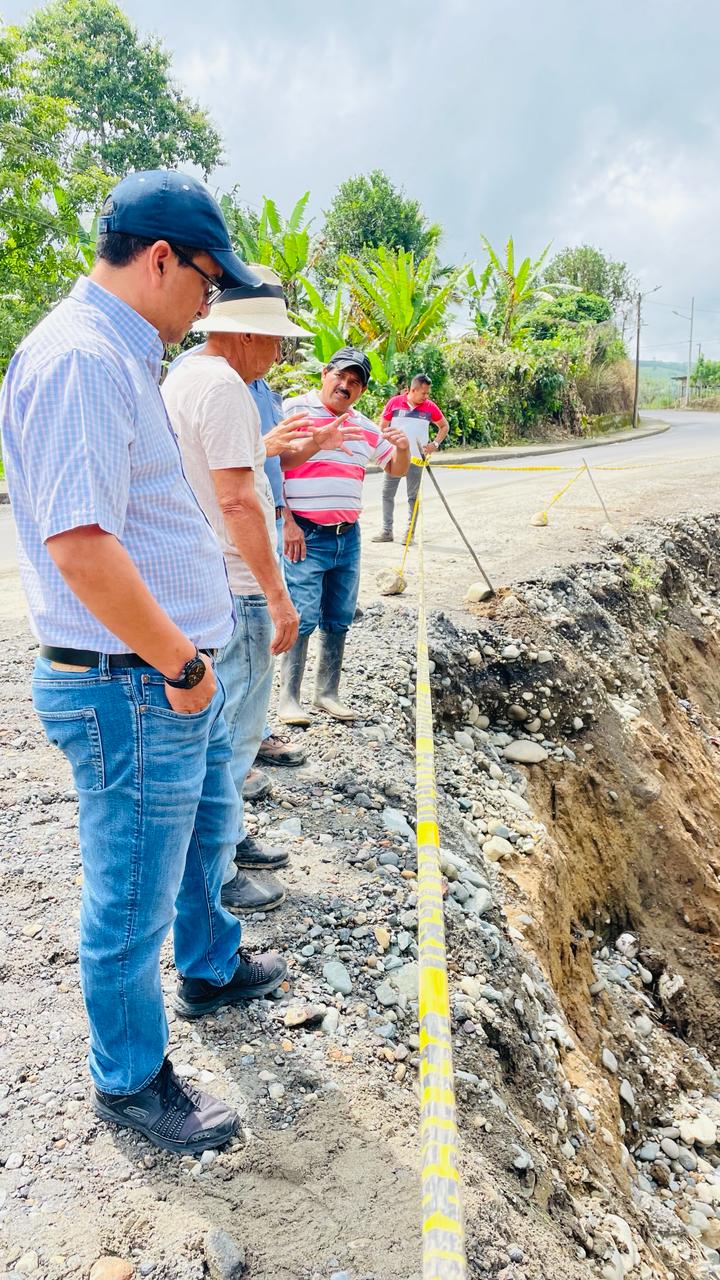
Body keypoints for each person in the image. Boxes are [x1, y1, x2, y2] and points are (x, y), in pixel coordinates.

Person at [0, 169, 288, 1155]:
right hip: (131, 680)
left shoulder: (119, 355)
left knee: (186, 846)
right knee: (130, 894)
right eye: (206, 282)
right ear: (160, 258)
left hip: (152, 675)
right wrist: (183, 667)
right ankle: (129, 1078)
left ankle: (207, 969)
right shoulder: (82, 358)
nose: (208, 305)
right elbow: (81, 545)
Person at [163, 267, 343, 912]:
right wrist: (277, 595)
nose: (278, 352)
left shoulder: (186, 375)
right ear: (244, 334)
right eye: (274, 339)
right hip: (235, 586)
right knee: (233, 735)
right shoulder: (224, 387)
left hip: (205, 576)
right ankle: (216, 871)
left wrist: (268, 445)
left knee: (222, 730)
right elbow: (237, 502)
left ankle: (228, 839)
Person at [278, 347, 411, 724]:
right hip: (304, 533)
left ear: (362, 390)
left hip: (347, 535)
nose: (346, 385)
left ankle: (326, 693)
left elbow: (396, 468)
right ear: (325, 373)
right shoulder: (294, 410)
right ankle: (289, 699)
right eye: (341, 376)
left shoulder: (364, 426)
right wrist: (286, 521)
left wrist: (403, 449)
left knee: (338, 615)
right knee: (302, 615)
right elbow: (272, 467)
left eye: (355, 382)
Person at [372, 373, 450, 543]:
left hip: (417, 460)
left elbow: (444, 426)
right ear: (413, 390)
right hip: (394, 459)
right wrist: (386, 447)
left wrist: (435, 444)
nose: (426, 396)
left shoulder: (430, 407)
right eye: (424, 393)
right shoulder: (394, 403)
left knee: (413, 498)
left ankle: (409, 535)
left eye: (428, 393)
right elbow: (382, 428)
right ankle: (386, 531)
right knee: (387, 494)